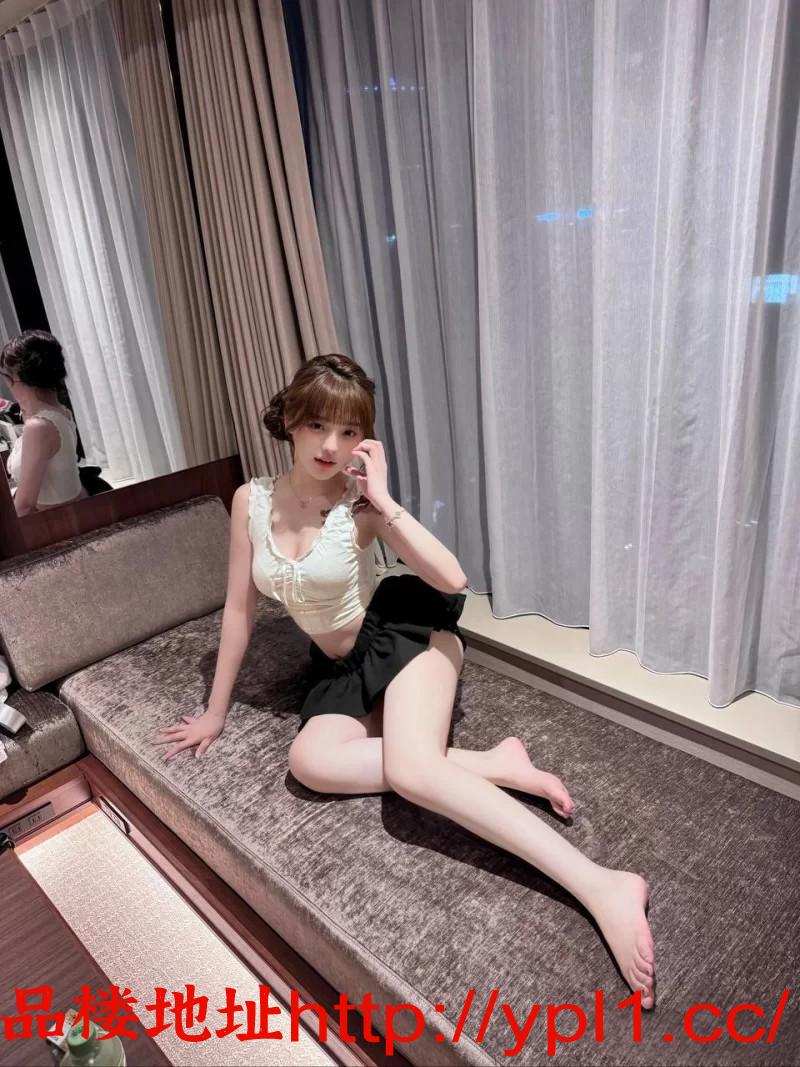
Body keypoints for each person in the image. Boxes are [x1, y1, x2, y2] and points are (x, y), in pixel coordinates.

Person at [155, 353, 656, 1008]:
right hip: (339, 665)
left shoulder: (359, 505)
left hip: (404, 636)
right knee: (309, 763)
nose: (331, 445)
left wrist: (385, 503)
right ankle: (494, 763)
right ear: (291, 422)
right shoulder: (251, 501)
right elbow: (239, 611)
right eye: (317, 426)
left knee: (414, 773)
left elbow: (452, 579)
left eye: (348, 431)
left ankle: (601, 884)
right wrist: (215, 711)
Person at [0, 330, 88, 516]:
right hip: (74, 510)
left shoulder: (39, 426)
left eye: (7, 378)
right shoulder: (60, 410)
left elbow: (24, 506)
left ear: (18, 378)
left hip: (54, 523)